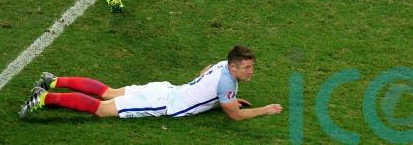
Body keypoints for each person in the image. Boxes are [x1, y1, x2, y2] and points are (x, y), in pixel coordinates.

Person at [19, 45, 282, 121]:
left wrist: (223, 99)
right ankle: (43, 97)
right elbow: (234, 116)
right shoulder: (227, 84)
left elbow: (205, 74)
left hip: (166, 88)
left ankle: (53, 81)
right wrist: (265, 110)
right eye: (247, 67)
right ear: (234, 67)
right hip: (163, 102)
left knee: (109, 92)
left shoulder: (223, 65)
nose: (251, 71)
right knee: (102, 108)